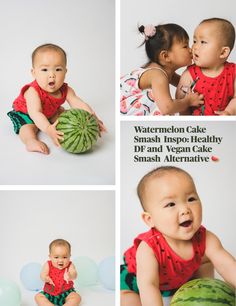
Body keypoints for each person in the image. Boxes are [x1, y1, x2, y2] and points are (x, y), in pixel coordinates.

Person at [120, 166, 236, 306]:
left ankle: (198, 292)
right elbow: (149, 285)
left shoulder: (207, 238)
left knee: (207, 260)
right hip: (136, 281)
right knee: (128, 299)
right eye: (171, 204)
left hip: (176, 280)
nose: (185, 209)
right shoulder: (148, 248)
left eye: (191, 199)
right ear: (150, 219)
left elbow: (227, 266)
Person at [7, 43, 106, 154]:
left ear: (65, 72)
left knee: (62, 113)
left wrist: (92, 117)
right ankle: (30, 141)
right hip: (26, 112)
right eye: (45, 70)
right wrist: (48, 129)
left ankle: (50, 119)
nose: (52, 75)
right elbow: (36, 113)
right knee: (28, 127)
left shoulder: (66, 89)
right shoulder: (32, 91)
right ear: (34, 73)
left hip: (48, 111)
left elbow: (77, 102)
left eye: (58, 69)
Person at [120, 23, 204, 116]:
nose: (191, 49)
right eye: (185, 46)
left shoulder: (165, 72)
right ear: (165, 56)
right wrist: (188, 101)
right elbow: (167, 108)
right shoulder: (157, 75)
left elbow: (184, 86)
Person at [176, 18, 236, 115]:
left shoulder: (232, 72)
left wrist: (229, 112)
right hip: (197, 126)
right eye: (195, 41)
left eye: (203, 42)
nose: (194, 47)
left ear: (223, 52)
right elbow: (181, 101)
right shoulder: (190, 73)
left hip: (224, 126)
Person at [35, 239, 81, 306]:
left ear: (69, 256)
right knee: (38, 297)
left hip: (66, 293)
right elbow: (42, 275)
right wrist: (45, 278)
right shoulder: (48, 265)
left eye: (65, 257)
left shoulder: (70, 265)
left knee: (77, 298)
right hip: (49, 293)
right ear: (50, 257)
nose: (60, 260)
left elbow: (75, 274)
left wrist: (70, 276)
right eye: (56, 257)